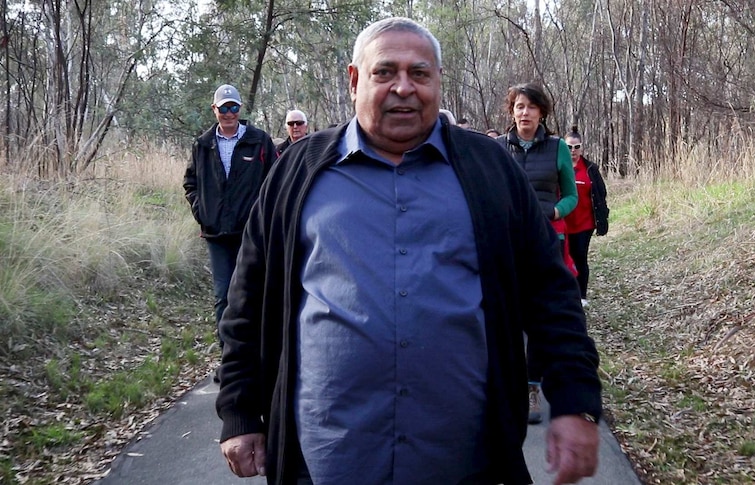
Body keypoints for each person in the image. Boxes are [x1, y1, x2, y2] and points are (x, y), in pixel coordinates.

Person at [216, 17, 601, 485]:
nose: (404, 88)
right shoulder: (298, 172)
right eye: (385, 73)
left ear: (438, 82)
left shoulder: (490, 170)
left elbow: (550, 291)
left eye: (419, 74)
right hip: (327, 457)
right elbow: (247, 300)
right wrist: (239, 411)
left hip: (464, 457)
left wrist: (575, 400)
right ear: (355, 80)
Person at [495, 82, 579, 425]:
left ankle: (532, 389)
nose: (524, 113)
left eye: (530, 107)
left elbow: (571, 196)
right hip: (506, 244)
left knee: (538, 317)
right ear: (511, 112)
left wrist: (554, 213)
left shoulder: (558, 147)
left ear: (542, 112)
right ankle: (504, 387)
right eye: (518, 107)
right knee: (505, 316)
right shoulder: (498, 147)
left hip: (545, 243)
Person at [183, 83, 277, 347]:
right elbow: (190, 183)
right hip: (216, 235)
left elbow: (276, 181)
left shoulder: (259, 141)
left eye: (233, 107)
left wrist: (263, 220)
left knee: (250, 293)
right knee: (223, 296)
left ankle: (255, 355)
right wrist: (202, 213)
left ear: (240, 109)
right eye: (224, 108)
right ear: (215, 109)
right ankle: (228, 357)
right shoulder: (202, 145)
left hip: (250, 234)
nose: (229, 113)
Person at [563, 128, 609, 308]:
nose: (572, 151)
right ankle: (567, 294)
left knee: (580, 256)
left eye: (576, 147)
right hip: (564, 223)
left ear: (582, 148)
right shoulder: (558, 167)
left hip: (584, 223)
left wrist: (602, 219)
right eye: (568, 147)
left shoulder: (590, 169)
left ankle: (581, 296)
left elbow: (600, 194)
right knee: (564, 258)